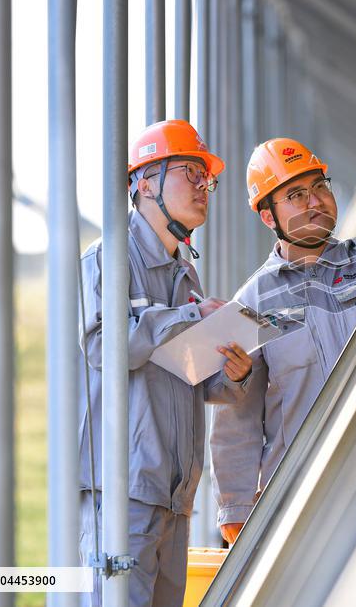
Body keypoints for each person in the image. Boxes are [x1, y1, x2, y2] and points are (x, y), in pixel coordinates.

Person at [78, 120, 254, 606]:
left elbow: (182, 371)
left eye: (208, 178)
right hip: (122, 490)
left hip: (174, 493)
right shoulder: (108, 258)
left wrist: (233, 375)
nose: (203, 186)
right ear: (145, 181)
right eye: (189, 172)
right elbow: (103, 345)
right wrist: (192, 315)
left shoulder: (185, 273)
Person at [209, 137, 356, 544]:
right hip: (302, 494)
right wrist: (234, 509)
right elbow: (237, 417)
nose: (315, 202)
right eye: (296, 195)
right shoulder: (251, 303)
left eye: (320, 186)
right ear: (268, 217)